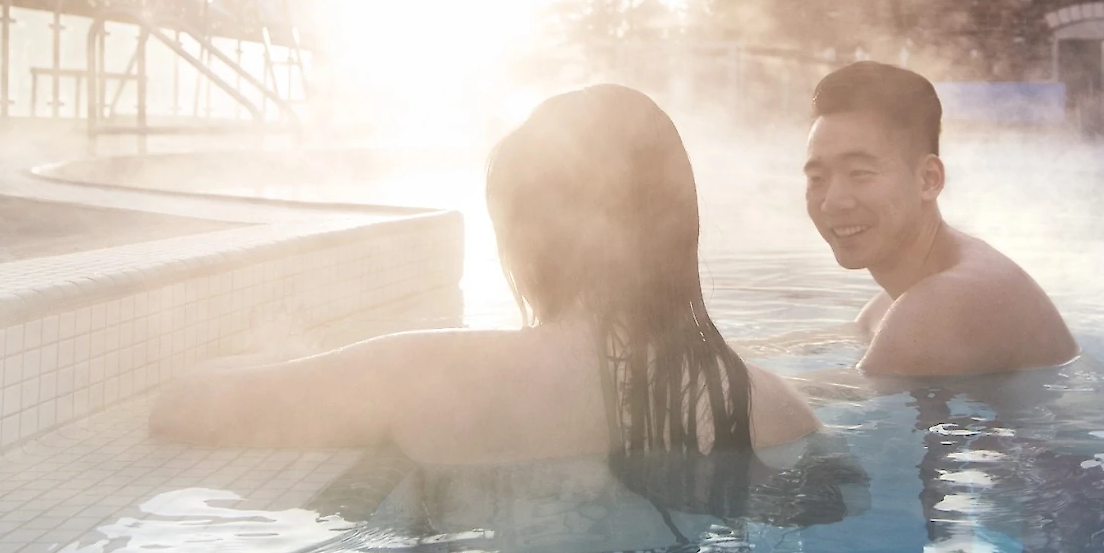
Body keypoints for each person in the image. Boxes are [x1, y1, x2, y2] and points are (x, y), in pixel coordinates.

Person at [151, 84, 819, 464]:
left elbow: (181, 408)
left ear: (529, 236)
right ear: (679, 230)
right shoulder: (770, 409)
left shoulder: (429, 375)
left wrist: (276, 359)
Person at [803, 61, 1078, 376]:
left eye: (860, 173)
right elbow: (822, 345)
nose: (833, 201)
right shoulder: (898, 303)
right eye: (817, 178)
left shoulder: (945, 304)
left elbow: (825, 405)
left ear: (928, 180)